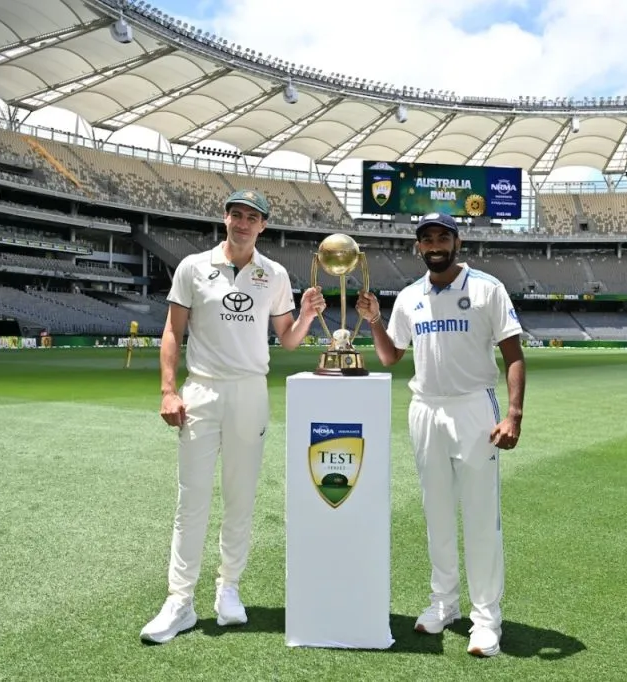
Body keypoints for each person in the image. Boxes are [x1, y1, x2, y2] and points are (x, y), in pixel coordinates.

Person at [140, 189, 325, 644]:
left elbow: (287, 340)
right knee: (193, 499)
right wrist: (168, 390)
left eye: (252, 217)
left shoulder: (274, 274)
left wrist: (303, 316)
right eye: (236, 214)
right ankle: (180, 601)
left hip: (249, 391)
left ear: (263, 226)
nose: (243, 223)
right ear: (225, 219)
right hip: (201, 390)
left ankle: (229, 589)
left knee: (240, 498)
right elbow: (172, 330)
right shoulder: (193, 267)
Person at [356, 212, 526, 658]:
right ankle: (444, 603)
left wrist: (514, 415)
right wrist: (374, 321)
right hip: (425, 409)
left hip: (474, 408)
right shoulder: (410, 296)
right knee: (437, 512)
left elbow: (513, 353)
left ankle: (486, 618)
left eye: (443, 237)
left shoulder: (487, 288)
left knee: (479, 515)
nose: (435, 244)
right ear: (418, 247)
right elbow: (392, 356)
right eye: (427, 238)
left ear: (457, 242)